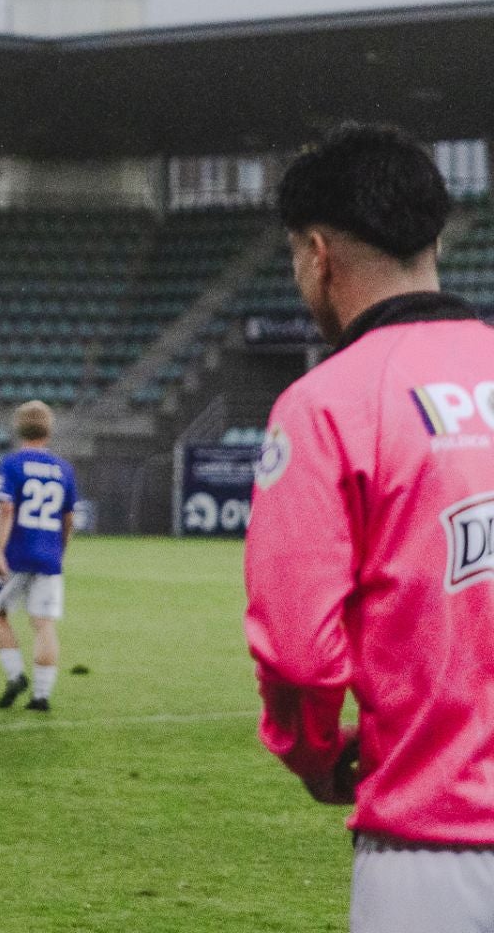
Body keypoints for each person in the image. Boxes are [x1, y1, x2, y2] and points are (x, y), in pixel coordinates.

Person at [244, 123, 494, 932]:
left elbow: (298, 649)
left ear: (318, 253)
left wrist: (314, 754)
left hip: (433, 848)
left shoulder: (327, 405)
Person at [0, 399, 76, 712]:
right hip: (49, 558)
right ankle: (41, 696)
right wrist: (60, 550)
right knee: (44, 624)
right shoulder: (64, 469)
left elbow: (7, 508)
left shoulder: (12, 464)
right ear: (49, 431)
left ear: (18, 428)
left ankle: (14, 675)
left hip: (17, 554)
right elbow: (69, 519)